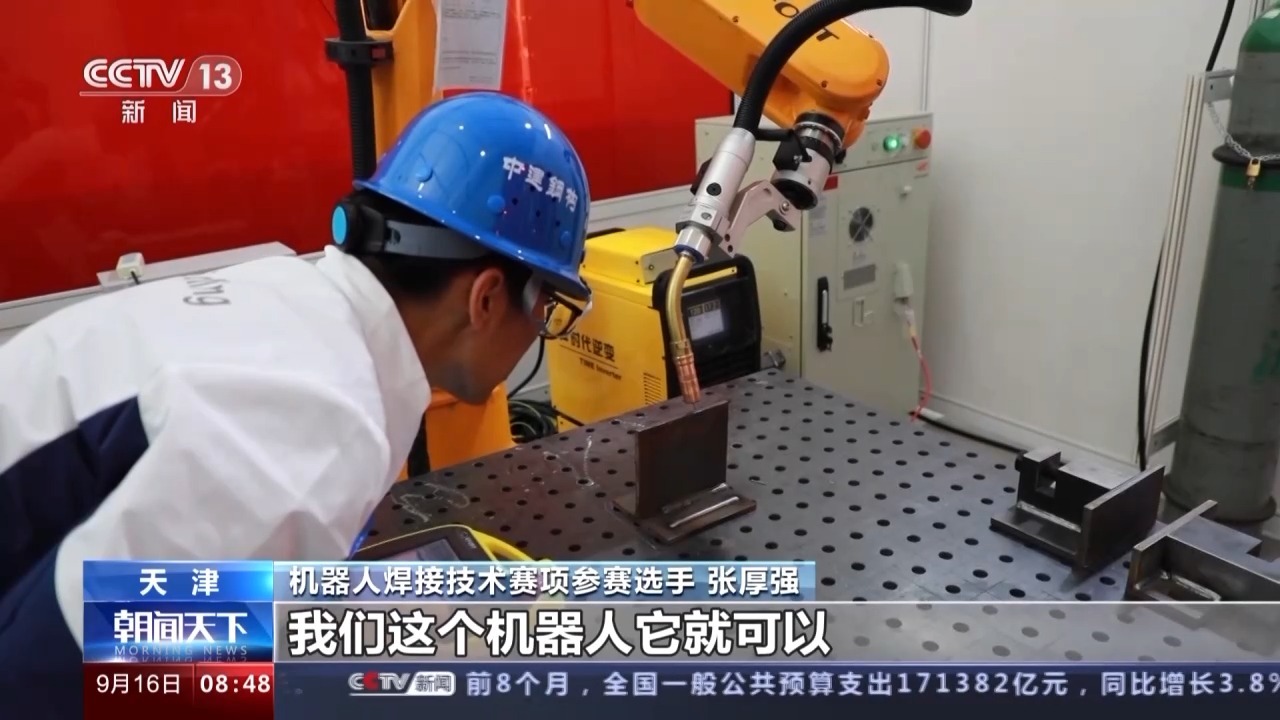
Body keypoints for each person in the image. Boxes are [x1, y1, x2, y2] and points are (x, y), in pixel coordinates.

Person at [0, 92, 591, 712]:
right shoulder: (314, 424)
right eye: (547, 305)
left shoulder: (286, 299)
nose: (541, 329)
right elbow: (60, 678)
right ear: (487, 298)